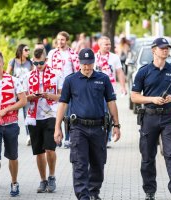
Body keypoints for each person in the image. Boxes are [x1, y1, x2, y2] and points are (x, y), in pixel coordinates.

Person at [54, 48, 121, 200]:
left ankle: (93, 193)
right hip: (78, 128)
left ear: (93, 62)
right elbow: (63, 104)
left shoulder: (103, 79)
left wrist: (116, 125)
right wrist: (57, 127)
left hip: (98, 128)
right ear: (79, 63)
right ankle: (83, 196)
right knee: (79, 164)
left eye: (89, 64)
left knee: (98, 163)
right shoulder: (71, 80)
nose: (86, 67)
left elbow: (111, 102)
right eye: (84, 64)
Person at [130, 38, 171, 200]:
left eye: (167, 48)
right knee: (147, 156)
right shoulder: (143, 71)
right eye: (162, 48)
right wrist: (152, 99)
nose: (165, 50)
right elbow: (134, 97)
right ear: (153, 50)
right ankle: (149, 191)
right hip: (149, 117)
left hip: (169, 116)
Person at [25, 48, 62, 193]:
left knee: (49, 149)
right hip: (34, 117)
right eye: (35, 63)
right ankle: (43, 180)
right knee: (39, 152)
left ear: (46, 60)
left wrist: (49, 96)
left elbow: (62, 96)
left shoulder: (56, 74)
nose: (38, 65)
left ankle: (52, 176)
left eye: (41, 62)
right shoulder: (28, 76)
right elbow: (23, 97)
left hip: (51, 114)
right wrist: (31, 96)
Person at [0, 51, 27, 197]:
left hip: (11, 124)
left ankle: (14, 182)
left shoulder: (13, 80)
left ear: (3, 63)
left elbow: (23, 101)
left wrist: (7, 109)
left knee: (12, 156)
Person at [47, 31, 80, 148]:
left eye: (62, 40)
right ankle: (57, 137)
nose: (60, 42)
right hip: (54, 86)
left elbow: (76, 71)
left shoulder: (73, 54)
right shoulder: (52, 53)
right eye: (58, 39)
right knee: (56, 113)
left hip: (68, 85)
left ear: (67, 40)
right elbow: (48, 69)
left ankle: (67, 138)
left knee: (67, 114)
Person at [95, 36, 127, 146]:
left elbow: (119, 72)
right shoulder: (94, 58)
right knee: (99, 113)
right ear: (100, 45)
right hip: (95, 90)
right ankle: (99, 136)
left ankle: (107, 138)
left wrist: (123, 86)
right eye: (106, 44)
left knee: (107, 113)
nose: (108, 46)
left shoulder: (114, 57)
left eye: (109, 44)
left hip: (110, 89)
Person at [7, 44, 34, 146]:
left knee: (27, 114)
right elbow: (8, 74)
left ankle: (29, 136)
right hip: (14, 92)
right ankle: (12, 136)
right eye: (26, 50)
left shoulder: (30, 62)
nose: (28, 51)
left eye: (29, 49)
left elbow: (33, 75)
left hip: (26, 92)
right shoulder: (13, 61)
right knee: (13, 114)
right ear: (20, 51)